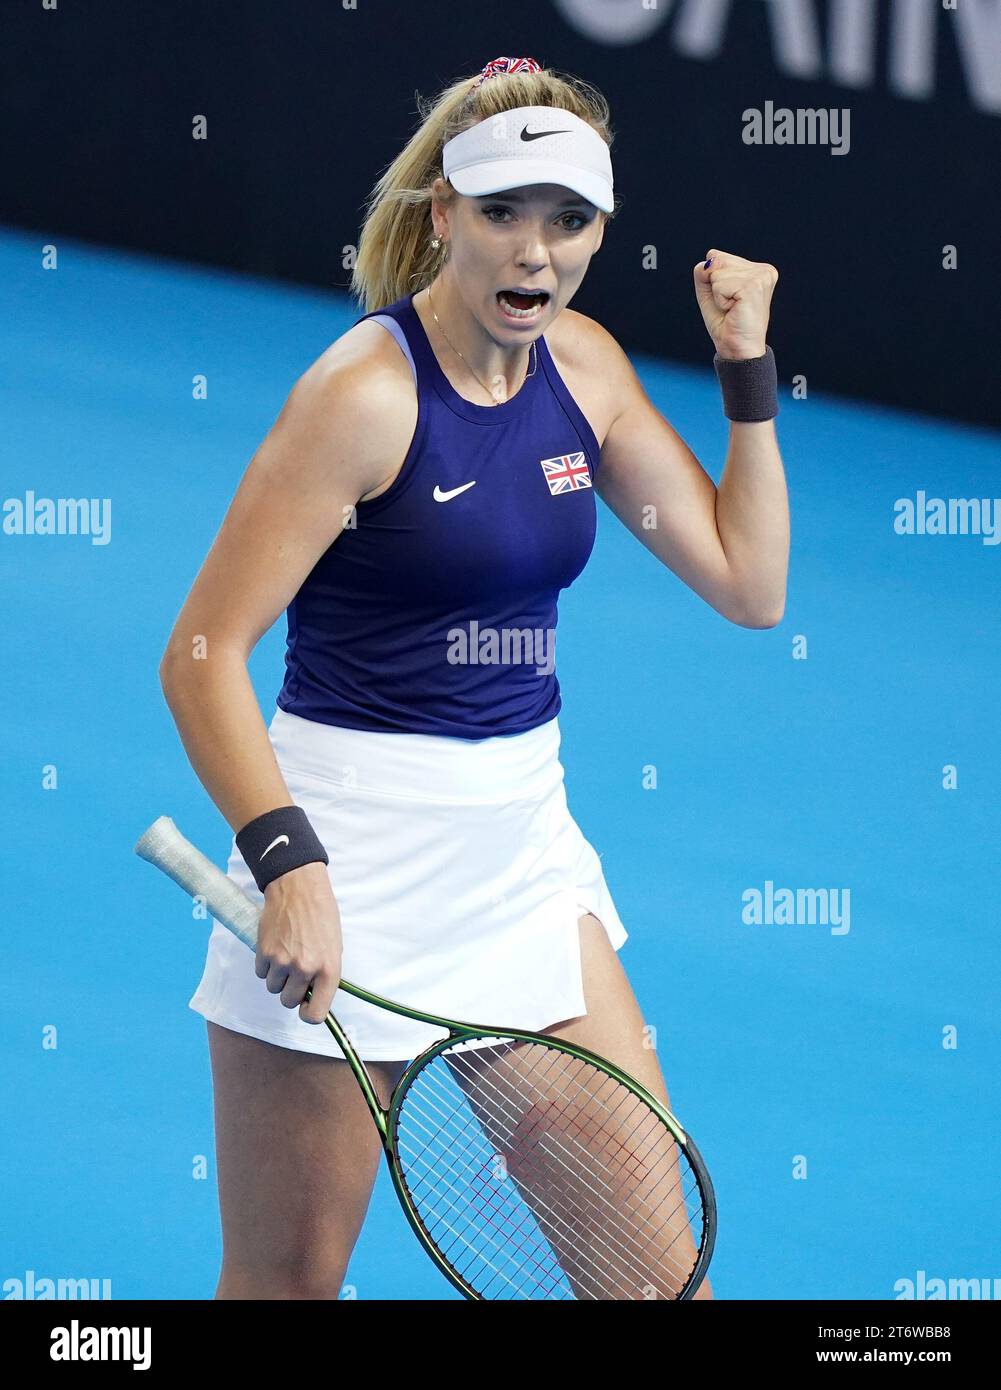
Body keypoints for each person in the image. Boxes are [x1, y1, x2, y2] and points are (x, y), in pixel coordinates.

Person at [160, 54, 788, 1301]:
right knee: (284, 1285)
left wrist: (743, 367)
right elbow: (201, 656)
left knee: (656, 1291)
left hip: (519, 863)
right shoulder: (362, 395)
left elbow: (746, 584)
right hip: (343, 854)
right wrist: (289, 869)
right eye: (501, 213)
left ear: (601, 234)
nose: (533, 254)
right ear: (442, 212)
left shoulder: (586, 370)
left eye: (567, 222)